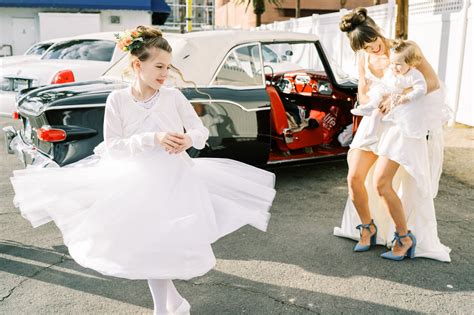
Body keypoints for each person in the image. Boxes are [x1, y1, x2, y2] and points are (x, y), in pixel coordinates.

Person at [10, 25, 276, 314]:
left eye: (168, 67)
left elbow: (201, 131)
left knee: (158, 246)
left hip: (175, 179)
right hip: (135, 181)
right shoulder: (118, 100)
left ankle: (166, 307)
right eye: (159, 66)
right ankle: (171, 305)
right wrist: (153, 138)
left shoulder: (173, 97)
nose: (165, 73)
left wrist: (188, 139)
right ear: (138, 64)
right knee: (152, 247)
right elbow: (113, 146)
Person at [333, 8, 451, 262]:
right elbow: (362, 94)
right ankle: (367, 227)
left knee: (381, 183)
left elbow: (431, 82)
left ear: (377, 31)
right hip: (376, 119)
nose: (372, 49)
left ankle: (404, 236)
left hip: (402, 122)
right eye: (364, 47)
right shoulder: (364, 59)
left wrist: (399, 95)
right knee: (354, 177)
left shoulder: (404, 49)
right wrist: (376, 99)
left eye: (372, 41)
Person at [351, 39, 428, 142]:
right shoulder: (392, 71)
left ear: (409, 63)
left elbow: (422, 89)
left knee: (379, 112)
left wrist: (407, 97)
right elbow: (385, 83)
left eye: (398, 64)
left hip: (400, 102)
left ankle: (371, 109)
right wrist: (371, 83)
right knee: (376, 107)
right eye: (392, 63)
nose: (393, 67)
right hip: (389, 94)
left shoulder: (414, 75)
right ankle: (371, 134)